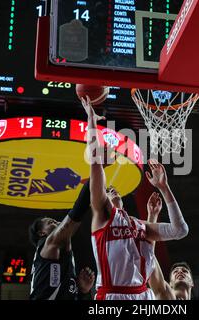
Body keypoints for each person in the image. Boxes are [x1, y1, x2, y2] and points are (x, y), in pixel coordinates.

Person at [81, 97, 189, 300]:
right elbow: (95, 163)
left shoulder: (142, 227)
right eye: (108, 190)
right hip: (113, 295)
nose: (112, 191)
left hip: (142, 296)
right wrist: (91, 120)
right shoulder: (104, 215)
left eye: (114, 190)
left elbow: (180, 230)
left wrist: (164, 188)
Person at [28, 180, 95, 300]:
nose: (58, 223)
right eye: (51, 222)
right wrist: (95, 176)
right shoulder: (48, 244)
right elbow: (76, 214)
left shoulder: (60, 257)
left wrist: (82, 290)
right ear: (42, 233)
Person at [147, 192, 194, 300]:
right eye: (175, 271)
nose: (180, 272)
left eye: (184, 271)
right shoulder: (164, 294)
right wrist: (152, 217)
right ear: (170, 283)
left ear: (192, 282)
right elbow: (148, 256)